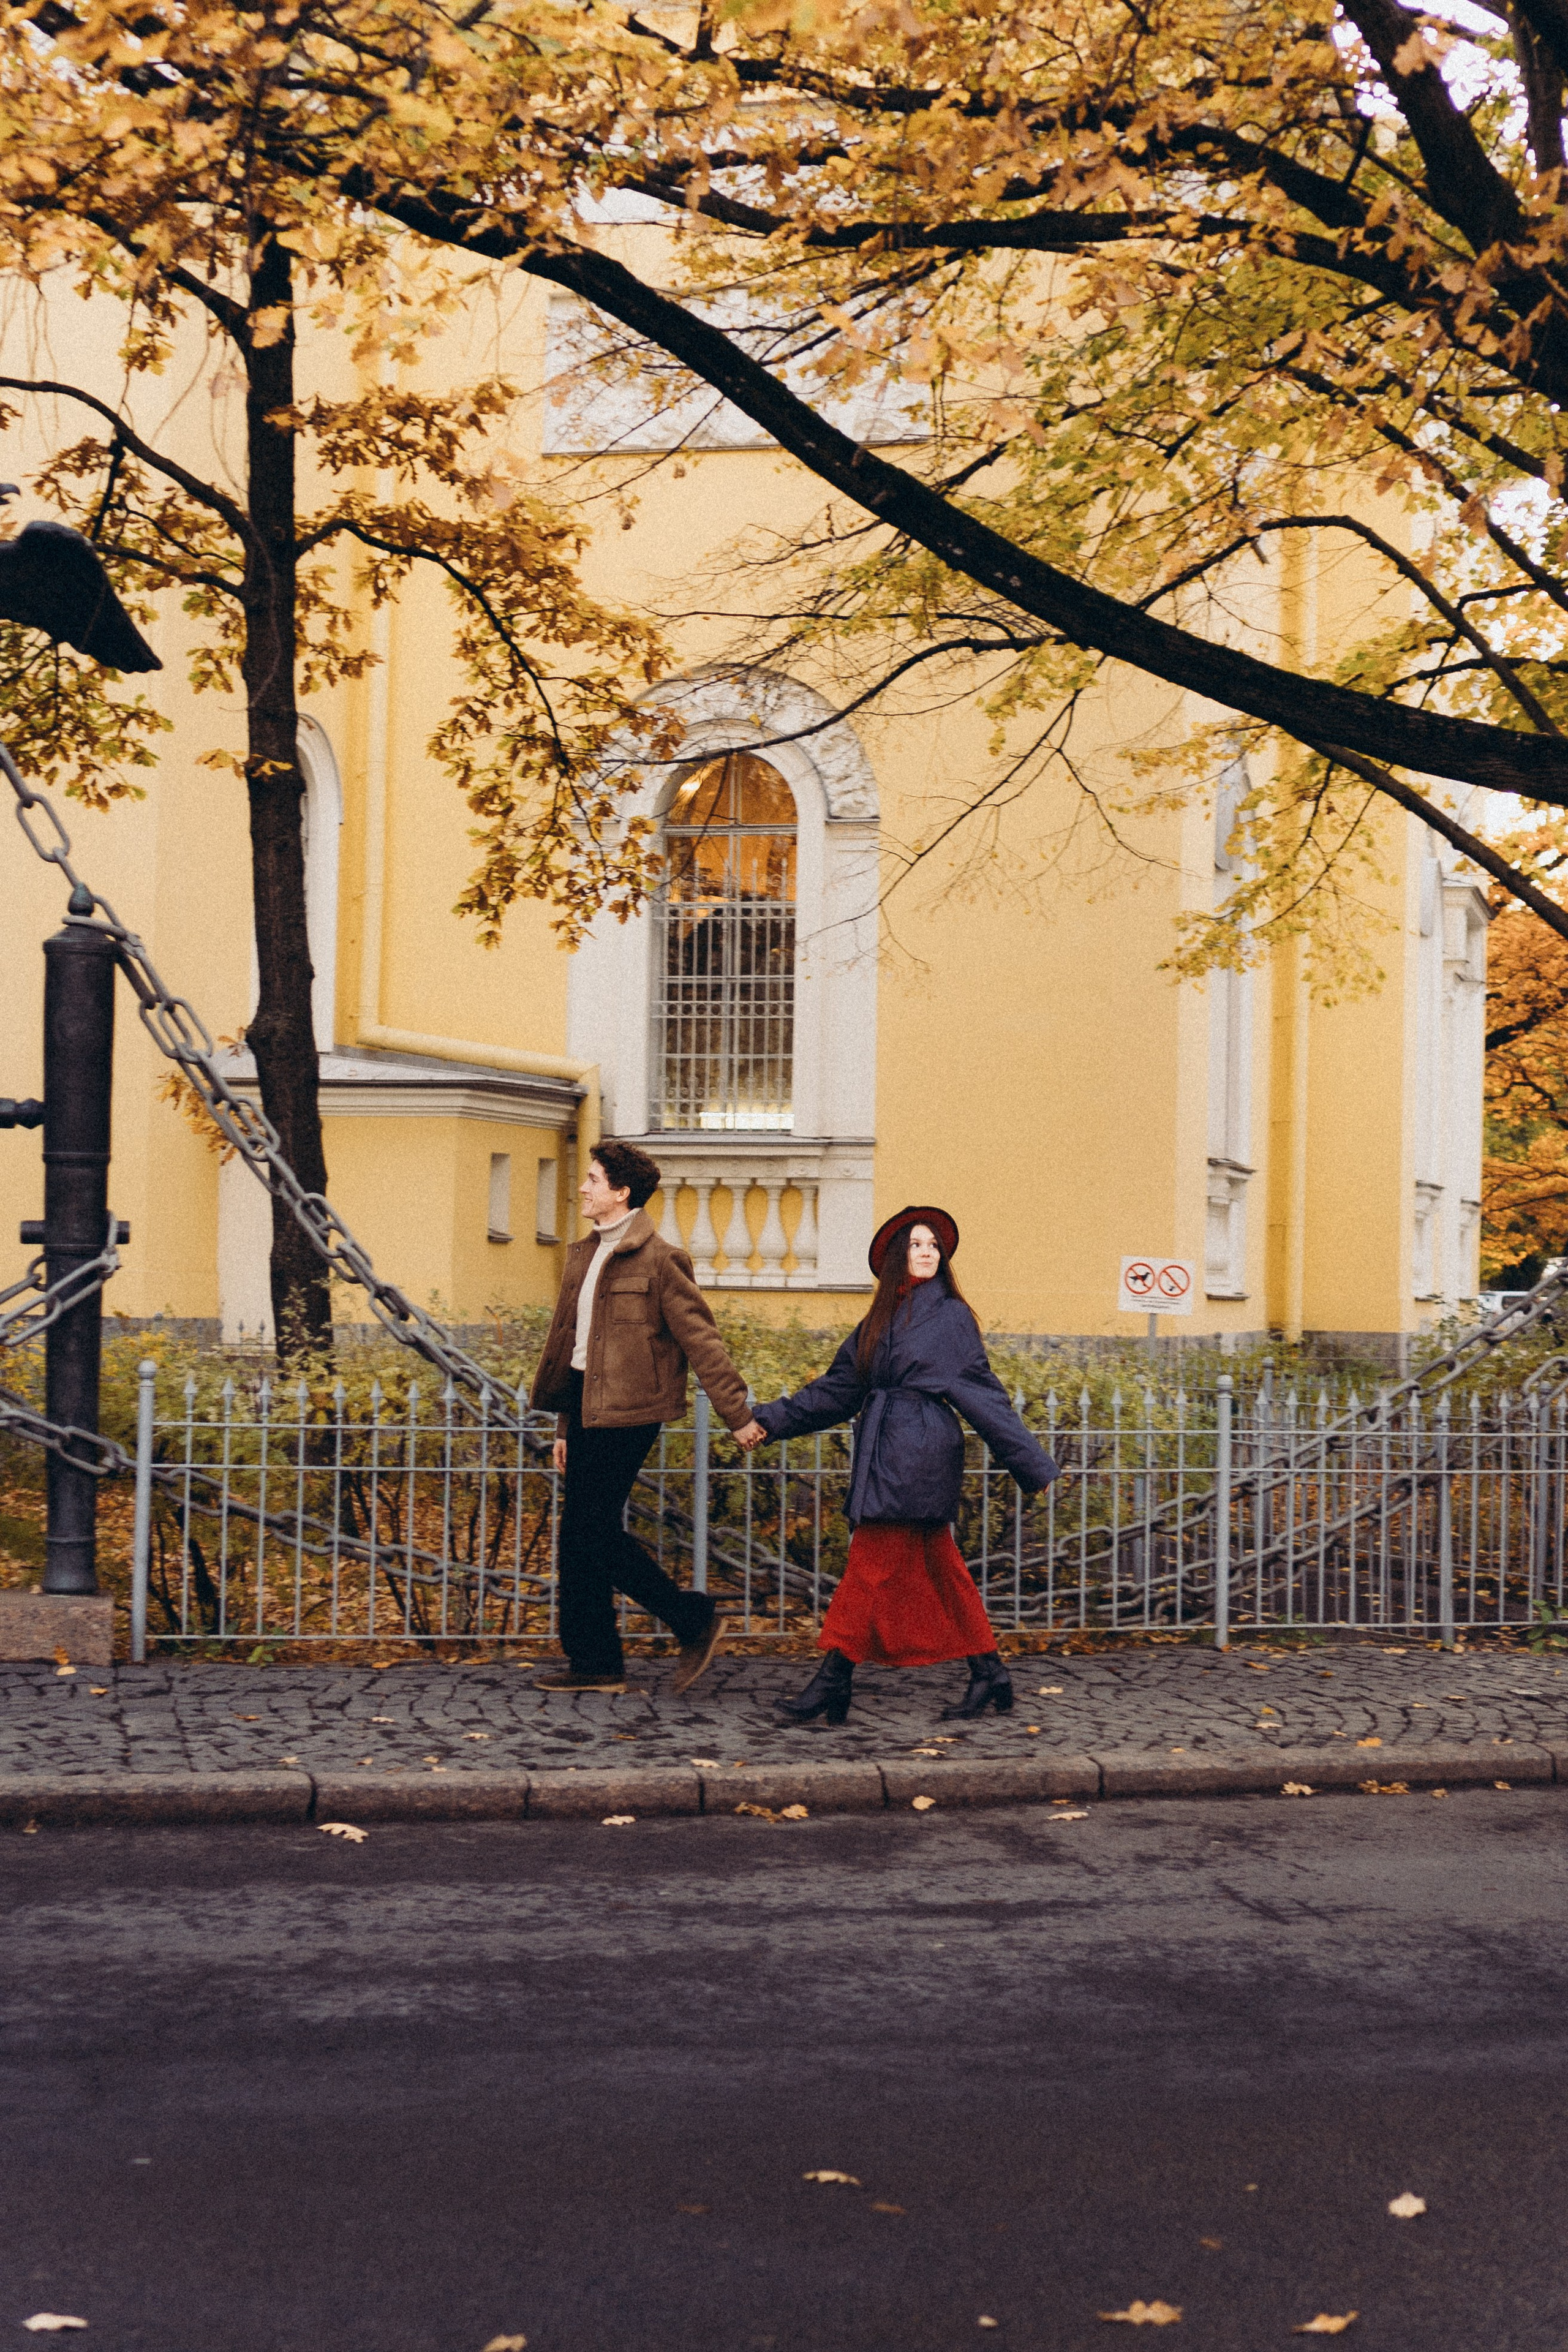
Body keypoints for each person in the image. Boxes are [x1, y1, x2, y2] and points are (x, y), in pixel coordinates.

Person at [739, 1206, 1058, 1724]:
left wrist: (1033, 1466)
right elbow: (838, 1390)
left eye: (933, 1244)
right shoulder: (881, 1319)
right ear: (895, 1258)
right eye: (915, 1244)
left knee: (867, 1570)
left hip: (919, 1455)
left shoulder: (950, 1317)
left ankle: (832, 1682)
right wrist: (768, 1421)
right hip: (889, 1450)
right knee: (944, 1570)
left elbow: (984, 1397)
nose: (928, 1251)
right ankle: (990, 1673)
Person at [530, 1138, 766, 1694]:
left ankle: (692, 1619)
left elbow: (702, 1340)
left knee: (590, 1530)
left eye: (593, 1179)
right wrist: (565, 1425)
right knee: (581, 1535)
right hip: (586, 1405)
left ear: (621, 1191)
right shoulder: (584, 1254)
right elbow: (573, 1348)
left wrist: (738, 1414)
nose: (584, 1188)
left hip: (632, 1412)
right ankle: (595, 1663)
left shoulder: (661, 1260)